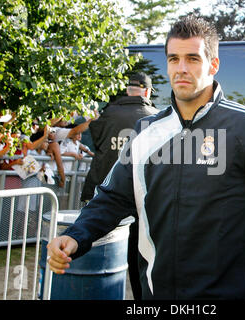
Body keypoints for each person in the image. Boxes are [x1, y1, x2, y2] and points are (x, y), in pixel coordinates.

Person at [47, 15, 245, 300]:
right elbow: (113, 197)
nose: (181, 69)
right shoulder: (146, 131)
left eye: (193, 59)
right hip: (157, 292)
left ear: (214, 64)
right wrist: (75, 236)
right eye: (173, 59)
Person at [80, 72, 158, 300]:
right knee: (139, 259)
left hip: (102, 195)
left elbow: (96, 142)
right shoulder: (156, 118)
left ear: (127, 90)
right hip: (138, 199)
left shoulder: (107, 114)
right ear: (147, 91)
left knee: (98, 256)